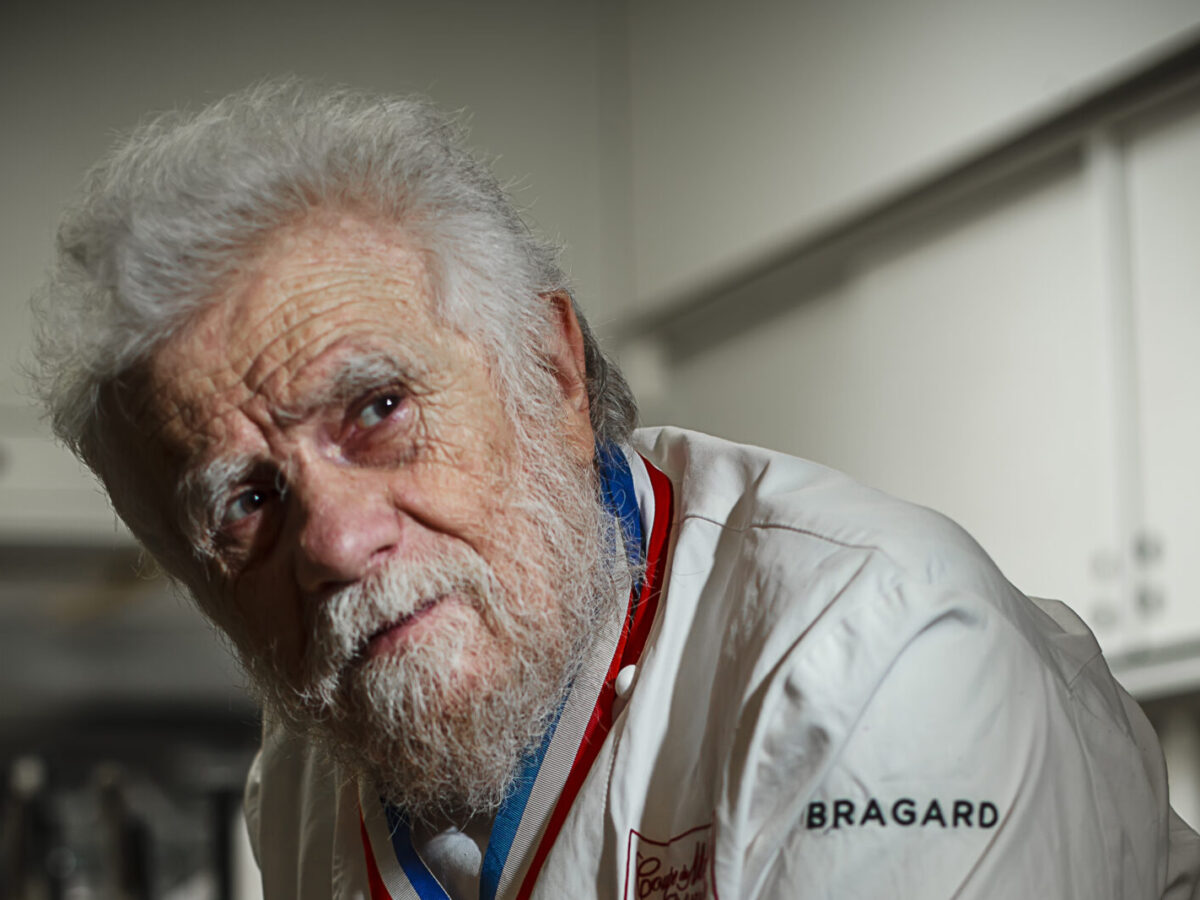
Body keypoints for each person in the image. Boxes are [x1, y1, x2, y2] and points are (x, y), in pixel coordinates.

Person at [30, 80, 1200, 900]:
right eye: (241, 502)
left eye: (377, 410)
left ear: (551, 370)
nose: (333, 540)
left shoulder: (880, 657)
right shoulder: (298, 783)